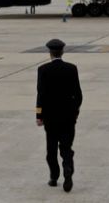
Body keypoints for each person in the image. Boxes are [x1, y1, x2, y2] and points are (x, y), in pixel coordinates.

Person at [36, 39, 82, 192]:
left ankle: (54, 177)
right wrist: (75, 112)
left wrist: (39, 115)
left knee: (51, 149)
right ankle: (67, 168)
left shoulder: (43, 70)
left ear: (50, 53)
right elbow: (79, 95)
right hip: (68, 117)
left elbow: (41, 94)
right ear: (62, 52)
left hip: (50, 117)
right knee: (66, 147)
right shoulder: (72, 68)